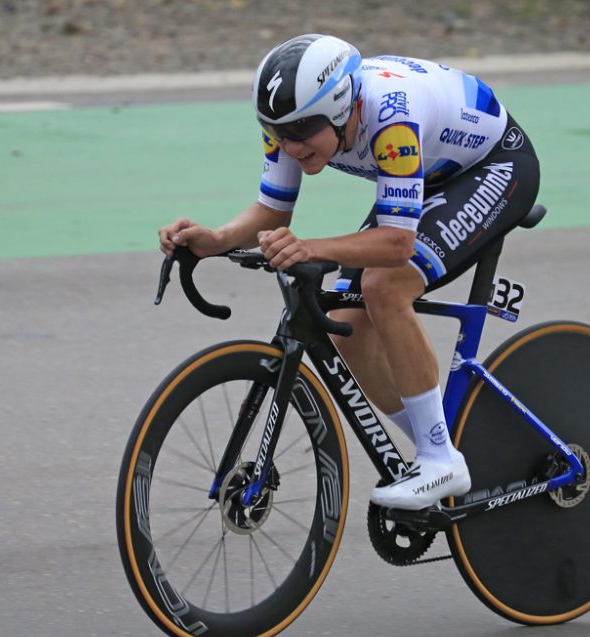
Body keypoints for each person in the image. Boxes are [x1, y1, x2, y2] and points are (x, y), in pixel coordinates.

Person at [159, 34, 540, 510]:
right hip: (430, 171)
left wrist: (310, 248)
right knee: (348, 329)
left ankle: (441, 459)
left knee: (385, 284)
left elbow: (398, 245)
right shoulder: (291, 122)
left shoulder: (390, 116)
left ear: (341, 108)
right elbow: (273, 211)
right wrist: (215, 239)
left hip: (495, 168)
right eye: (279, 133)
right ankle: (449, 440)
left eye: (302, 132)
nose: (291, 146)